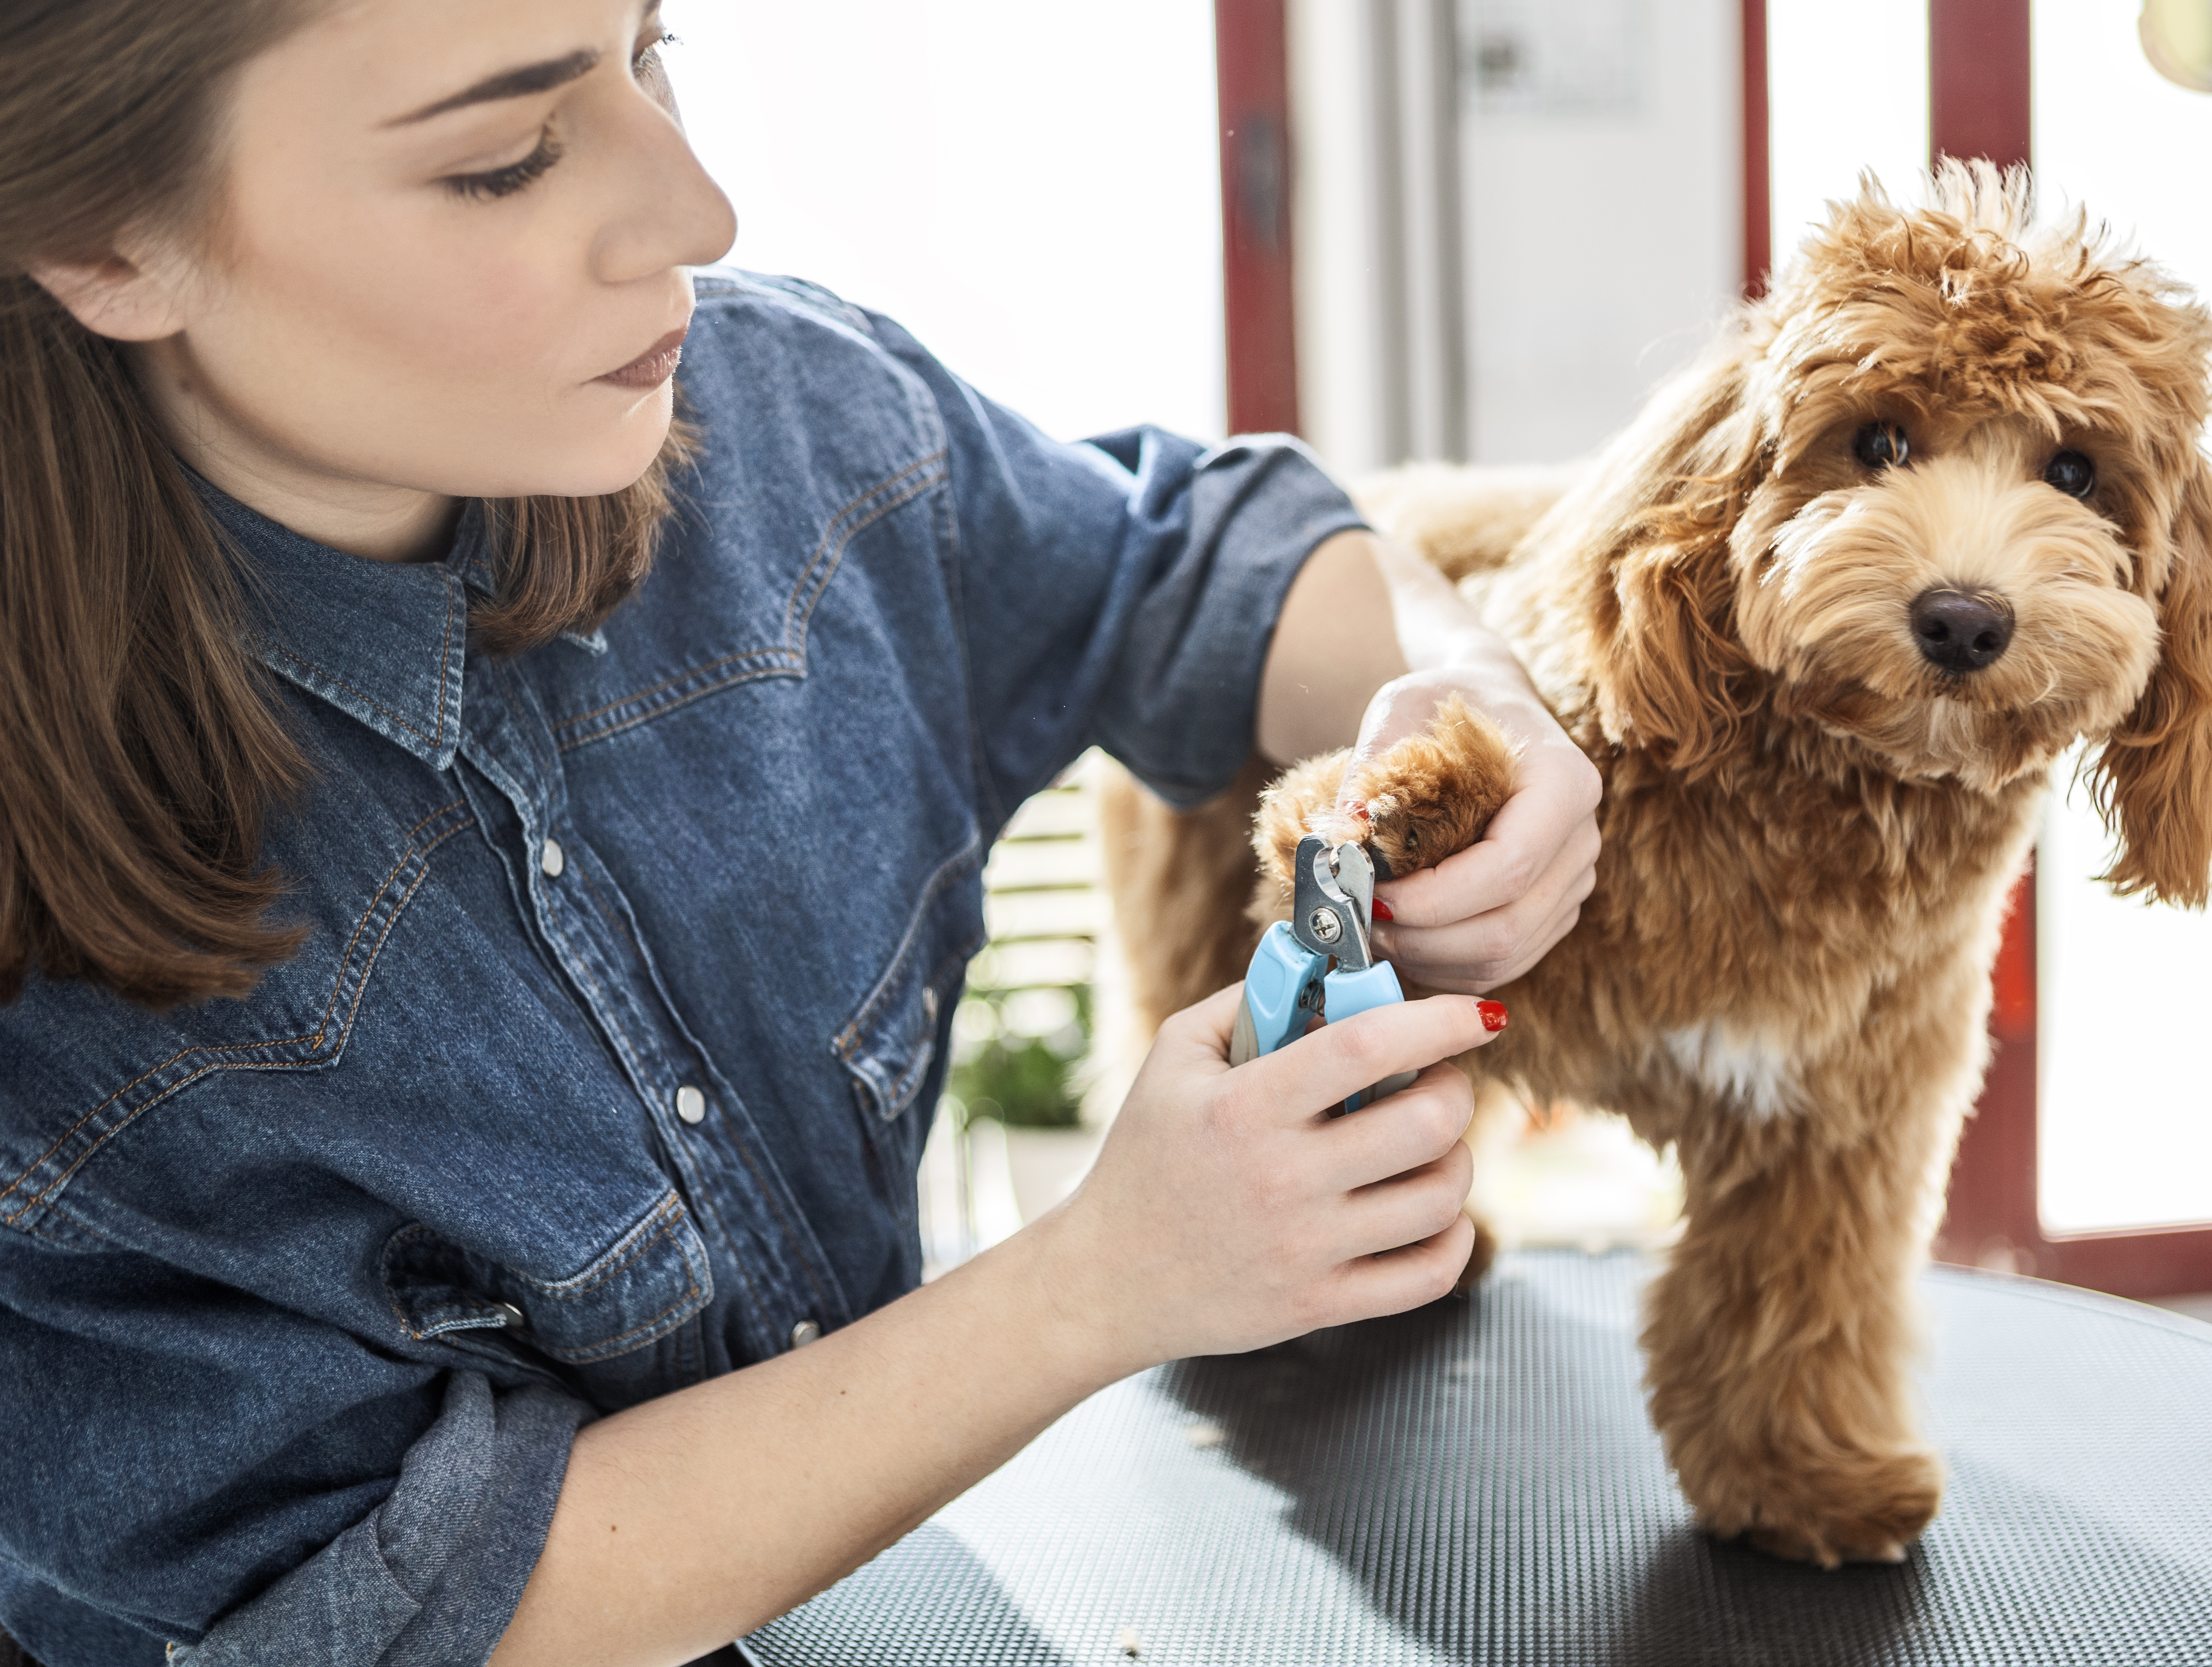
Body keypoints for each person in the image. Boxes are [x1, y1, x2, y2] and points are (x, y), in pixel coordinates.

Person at [0, 3, 1602, 1664]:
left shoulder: (794, 415)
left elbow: (1187, 564)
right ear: (108, 239)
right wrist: (1102, 1283)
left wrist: (1467, 690)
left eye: (651, 47)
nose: (701, 212)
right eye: (505, 158)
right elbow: (379, 1620)